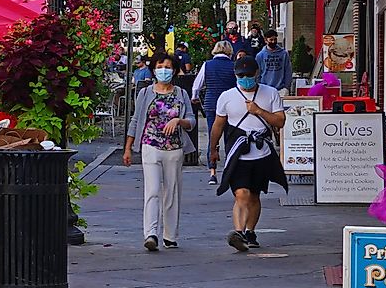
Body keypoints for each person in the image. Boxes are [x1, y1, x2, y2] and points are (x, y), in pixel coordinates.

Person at [122, 50, 196, 251]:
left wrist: (179, 120)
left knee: (171, 192)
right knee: (152, 190)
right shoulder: (145, 93)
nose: (164, 71)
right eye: (160, 67)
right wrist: (128, 148)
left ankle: (170, 235)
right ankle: (151, 233)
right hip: (150, 145)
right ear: (154, 70)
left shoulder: (181, 94)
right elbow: (135, 120)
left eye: (168, 67)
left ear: (174, 70)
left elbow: (192, 120)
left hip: (174, 148)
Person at [212, 62, 289, 251]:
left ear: (257, 73)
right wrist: (212, 149)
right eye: (240, 76)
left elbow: (280, 121)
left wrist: (259, 111)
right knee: (241, 194)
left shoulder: (270, 93)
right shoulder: (227, 97)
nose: (245, 79)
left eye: (248, 75)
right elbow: (218, 124)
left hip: (261, 153)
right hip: (238, 152)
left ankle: (250, 231)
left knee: (254, 195)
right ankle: (238, 232)